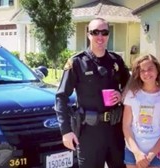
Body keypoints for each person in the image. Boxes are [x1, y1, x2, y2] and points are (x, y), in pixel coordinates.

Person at [55, 17, 130, 168]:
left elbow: (131, 84)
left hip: (115, 130)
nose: (100, 37)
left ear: (108, 35)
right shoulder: (77, 62)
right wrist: (66, 131)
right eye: (95, 32)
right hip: (89, 132)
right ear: (88, 34)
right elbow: (61, 96)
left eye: (104, 32)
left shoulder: (116, 61)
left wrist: (122, 94)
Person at [122, 54, 160, 168]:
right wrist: (137, 153)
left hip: (156, 152)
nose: (146, 73)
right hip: (133, 152)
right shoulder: (131, 94)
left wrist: (150, 155)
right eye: (142, 71)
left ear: (157, 70)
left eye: (150, 69)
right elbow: (126, 126)